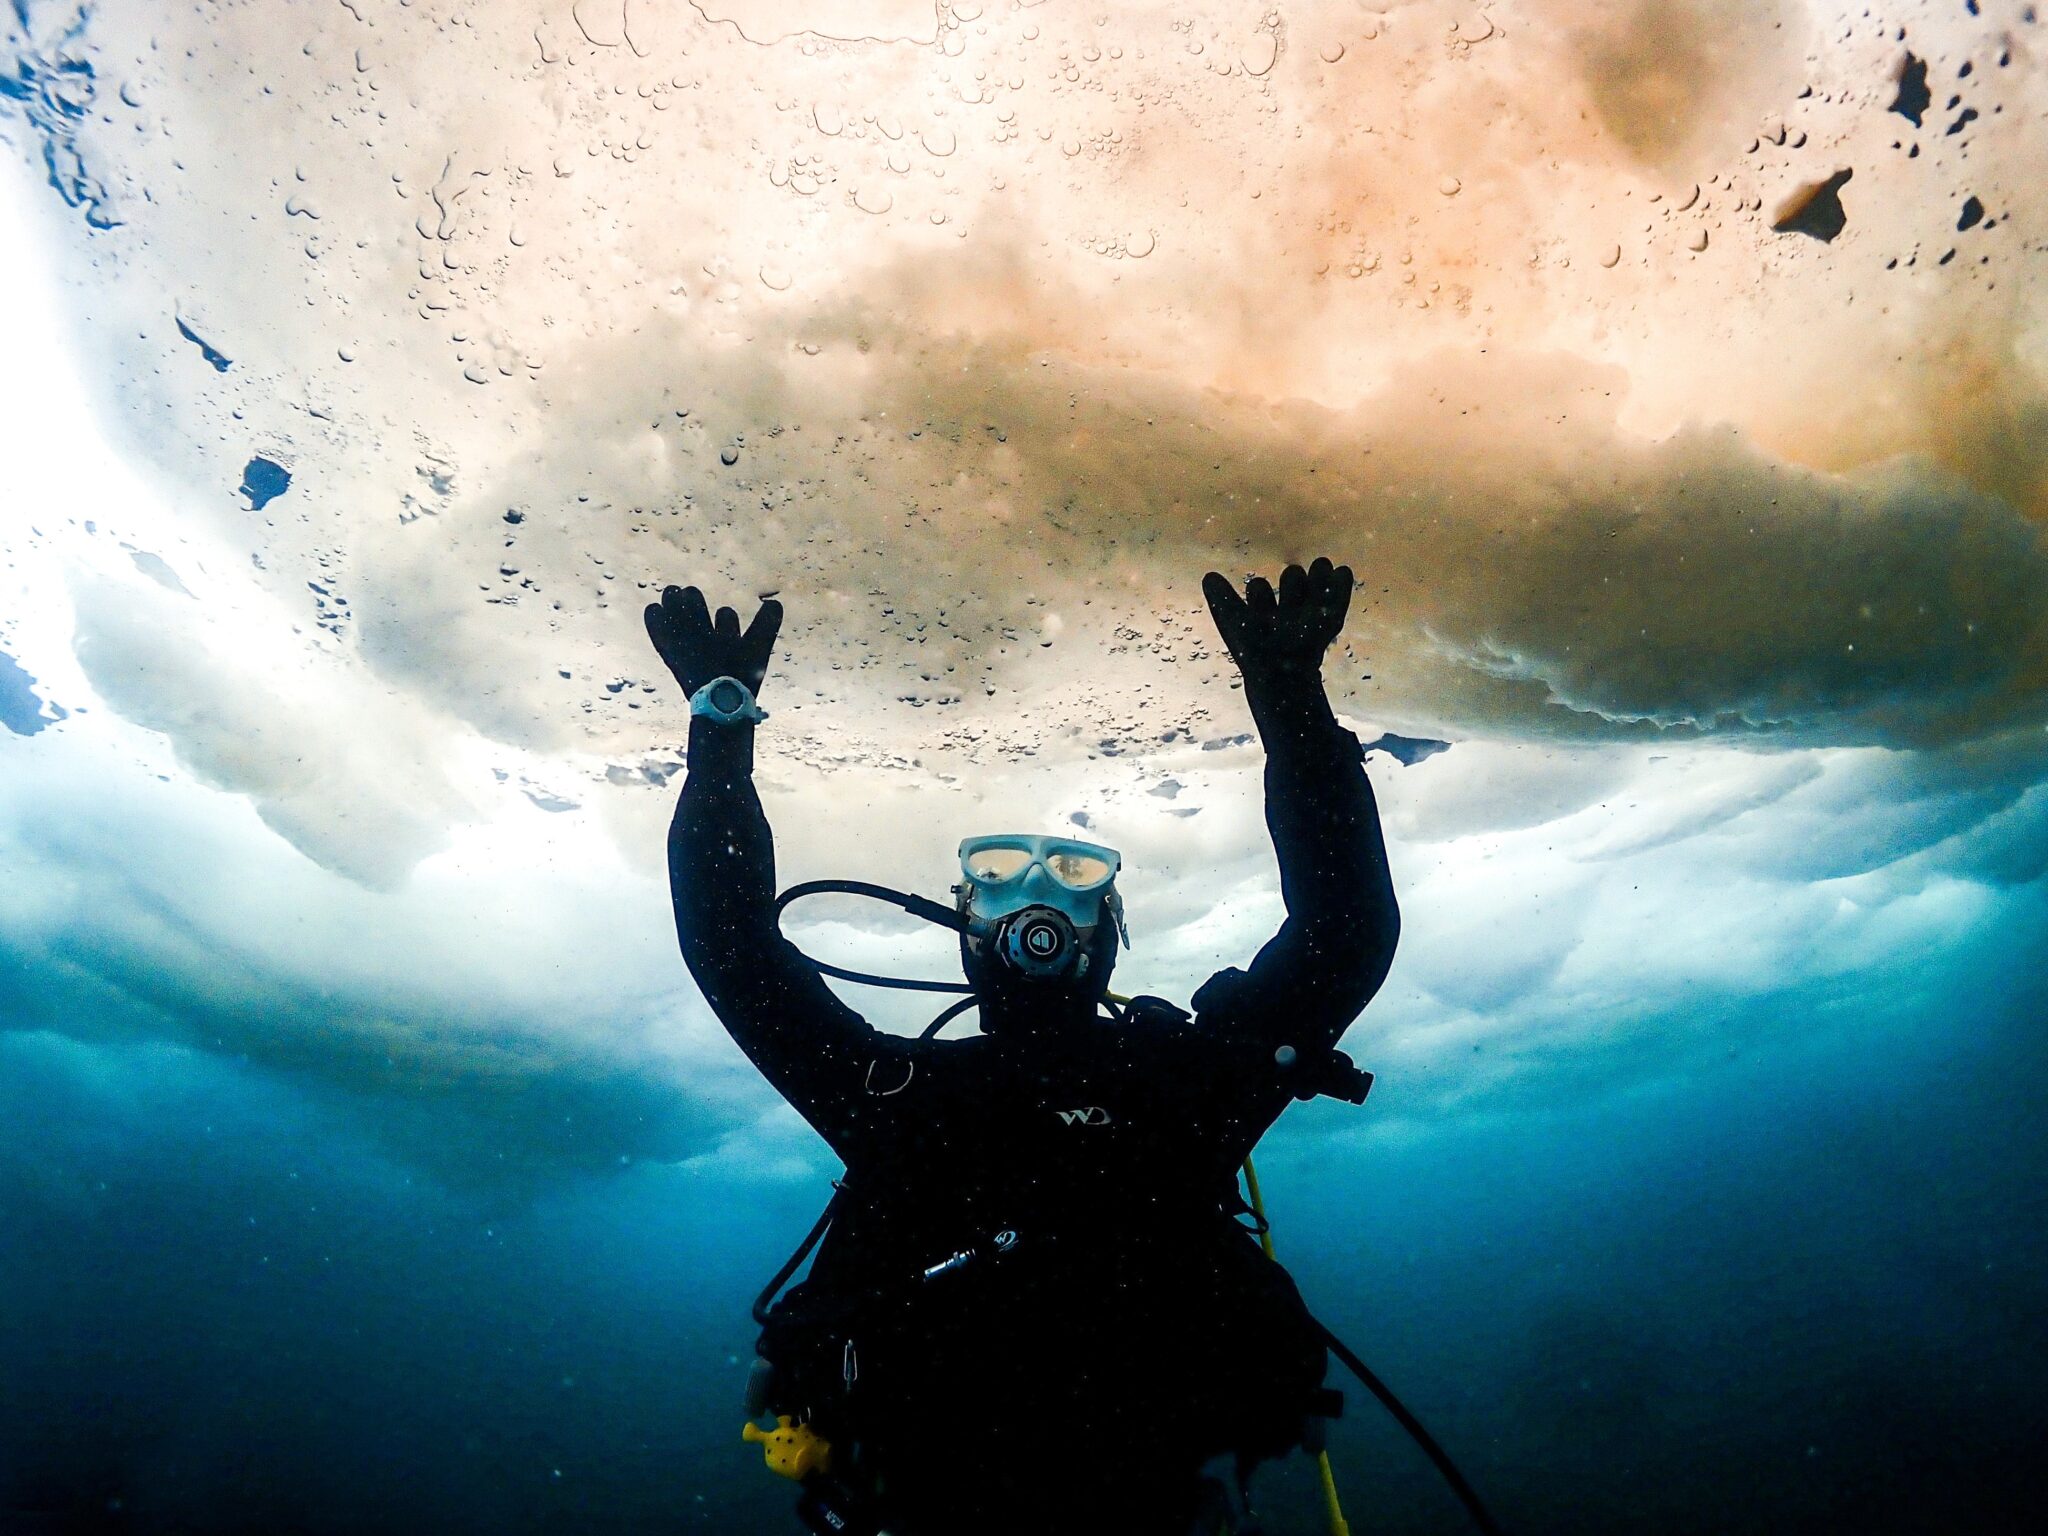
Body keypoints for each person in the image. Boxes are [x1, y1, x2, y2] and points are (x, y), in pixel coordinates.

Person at [647, 560, 1400, 1536]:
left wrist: (1291, 698)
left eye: (1077, 881)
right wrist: (720, 732)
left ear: (1108, 933)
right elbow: (732, 950)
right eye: (995, 880)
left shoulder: (1176, 1079)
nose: (1036, 901)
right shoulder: (906, 1093)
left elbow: (1342, 938)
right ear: (962, 928)